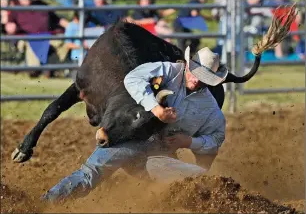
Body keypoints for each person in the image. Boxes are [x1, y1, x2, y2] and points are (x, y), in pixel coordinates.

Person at [42, 46, 227, 202]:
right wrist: (156, 109)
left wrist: (188, 142)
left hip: (158, 154)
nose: (195, 79)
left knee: (198, 182)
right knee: (90, 175)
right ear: (187, 65)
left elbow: (216, 138)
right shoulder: (168, 70)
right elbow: (133, 78)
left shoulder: (209, 109)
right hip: (129, 135)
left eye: (202, 77)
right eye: (194, 72)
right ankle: (46, 203)